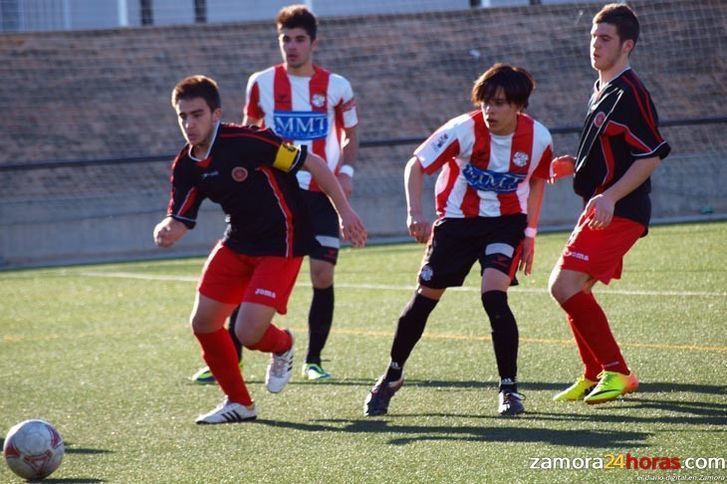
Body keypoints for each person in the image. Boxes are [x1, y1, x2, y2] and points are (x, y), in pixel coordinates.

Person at [155, 75, 366, 424]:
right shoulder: (187, 165)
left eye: (197, 114)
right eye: (183, 117)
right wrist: (167, 230)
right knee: (204, 322)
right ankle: (239, 403)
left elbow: (312, 163)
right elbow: (180, 216)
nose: (189, 124)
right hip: (237, 240)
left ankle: (283, 345)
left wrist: (344, 211)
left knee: (249, 333)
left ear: (216, 114)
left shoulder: (248, 140)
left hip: (281, 241)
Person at [363, 63, 554, 417]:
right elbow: (416, 165)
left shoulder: (539, 138)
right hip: (457, 223)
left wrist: (530, 233)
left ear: (519, 106)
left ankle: (509, 389)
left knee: (494, 297)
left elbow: (539, 180)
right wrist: (414, 213)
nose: (490, 110)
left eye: (499, 103)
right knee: (424, 300)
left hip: (505, 224)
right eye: (486, 102)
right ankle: (392, 375)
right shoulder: (463, 129)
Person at [191, 4, 359, 383]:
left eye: (299, 39)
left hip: (318, 192)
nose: (292, 46)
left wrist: (345, 171)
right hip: (274, 195)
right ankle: (228, 355)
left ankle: (313, 359)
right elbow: (249, 132)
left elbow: (350, 134)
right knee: (245, 272)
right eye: (286, 39)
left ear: (313, 43)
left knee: (322, 273)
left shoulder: (337, 86)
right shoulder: (261, 83)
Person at [548, 3, 670, 405]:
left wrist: (611, 196)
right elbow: (611, 149)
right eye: (593, 38)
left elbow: (651, 153)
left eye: (605, 39)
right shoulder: (603, 88)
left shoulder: (629, 92)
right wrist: (576, 163)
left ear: (627, 45)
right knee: (575, 288)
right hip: (601, 207)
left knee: (563, 285)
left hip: (620, 211)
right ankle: (594, 373)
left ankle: (616, 372)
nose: (595, 45)